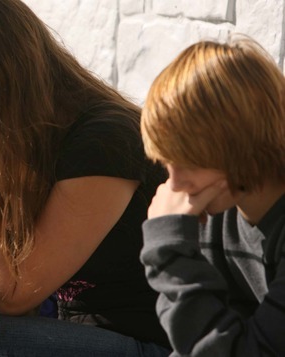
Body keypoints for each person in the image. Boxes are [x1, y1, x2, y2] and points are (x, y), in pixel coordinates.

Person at [0, 0, 170, 355]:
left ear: (7, 85)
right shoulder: (31, 142)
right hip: (84, 335)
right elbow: (12, 275)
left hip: (153, 343)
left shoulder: (104, 140)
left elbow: (12, 294)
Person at [139, 35, 285, 356]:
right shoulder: (214, 208)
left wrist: (168, 251)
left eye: (189, 161)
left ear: (239, 146)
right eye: (166, 162)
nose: (174, 184)